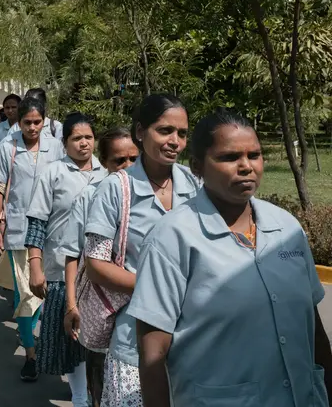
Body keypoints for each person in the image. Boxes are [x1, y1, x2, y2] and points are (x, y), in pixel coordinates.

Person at [129, 110, 332, 407]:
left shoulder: (287, 228)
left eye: (255, 155)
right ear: (197, 167)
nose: (246, 166)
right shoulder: (171, 239)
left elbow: (312, 326)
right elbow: (152, 355)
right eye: (229, 157)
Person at [79, 94, 199, 406]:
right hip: (133, 340)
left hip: (193, 337)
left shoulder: (196, 186)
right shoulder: (115, 189)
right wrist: (157, 289)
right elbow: (96, 265)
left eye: (182, 134)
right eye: (165, 131)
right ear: (141, 132)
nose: (175, 141)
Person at [24, 113, 108, 404]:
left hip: (100, 270)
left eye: (88, 137)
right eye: (76, 138)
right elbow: (36, 222)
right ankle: (80, 398)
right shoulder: (52, 172)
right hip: (61, 269)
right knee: (72, 340)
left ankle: (92, 394)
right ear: (65, 142)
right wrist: (35, 266)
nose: (83, 143)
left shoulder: (107, 173)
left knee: (95, 339)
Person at [60, 126, 140, 407]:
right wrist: (71, 304)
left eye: (133, 158)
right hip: (100, 304)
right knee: (100, 380)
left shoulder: (154, 195)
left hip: (142, 307)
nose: (127, 167)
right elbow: (73, 254)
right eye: (119, 161)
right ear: (104, 163)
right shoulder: (90, 196)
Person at [0, 97, 65, 382]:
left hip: (53, 232)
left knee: (49, 295)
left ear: (44, 120)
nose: (32, 128)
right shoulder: (8, 147)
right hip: (19, 232)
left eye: (37, 122)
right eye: (27, 122)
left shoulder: (56, 147)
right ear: (18, 122)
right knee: (26, 295)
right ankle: (31, 356)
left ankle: (41, 341)